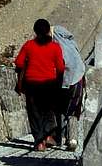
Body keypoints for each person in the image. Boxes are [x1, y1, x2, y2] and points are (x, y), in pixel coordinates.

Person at [14, 19, 65, 151]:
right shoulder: (55, 47)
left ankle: (40, 142)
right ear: (48, 31)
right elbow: (60, 68)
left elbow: (19, 63)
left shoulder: (29, 45)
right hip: (49, 84)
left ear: (35, 32)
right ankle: (48, 136)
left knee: (34, 113)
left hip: (31, 84)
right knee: (48, 112)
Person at [51, 25, 86, 150]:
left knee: (59, 109)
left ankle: (58, 137)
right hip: (78, 79)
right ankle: (73, 139)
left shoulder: (56, 47)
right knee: (73, 110)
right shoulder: (72, 45)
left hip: (64, 82)